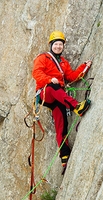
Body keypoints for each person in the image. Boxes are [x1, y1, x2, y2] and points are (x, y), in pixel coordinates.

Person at [32, 30, 92, 169]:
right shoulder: (43, 58)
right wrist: (49, 79)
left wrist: (85, 66)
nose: (58, 46)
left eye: (60, 44)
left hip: (58, 96)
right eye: (56, 44)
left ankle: (64, 157)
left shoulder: (63, 63)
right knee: (53, 86)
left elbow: (71, 77)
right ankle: (77, 107)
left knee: (61, 123)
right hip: (45, 93)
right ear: (51, 44)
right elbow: (37, 73)